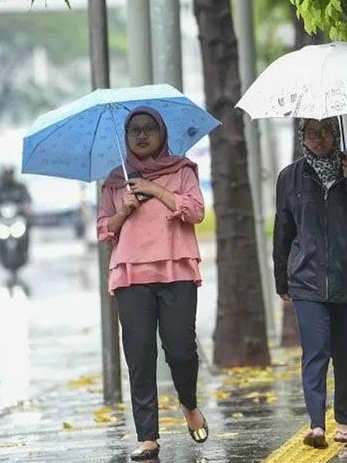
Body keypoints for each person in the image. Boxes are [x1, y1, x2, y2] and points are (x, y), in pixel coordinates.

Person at [96, 106, 208, 461]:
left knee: (181, 350)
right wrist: (124, 208)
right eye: (135, 131)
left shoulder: (183, 170)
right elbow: (105, 230)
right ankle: (147, 436)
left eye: (149, 129)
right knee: (139, 355)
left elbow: (196, 212)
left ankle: (189, 403)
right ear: (126, 138)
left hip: (177, 271)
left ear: (162, 133)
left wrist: (154, 189)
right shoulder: (116, 180)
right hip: (131, 275)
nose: (142, 135)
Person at [273, 117, 347, 448]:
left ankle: (345, 422)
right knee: (315, 351)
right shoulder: (290, 177)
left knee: (345, 353)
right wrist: (282, 277)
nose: (319, 139)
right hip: (306, 278)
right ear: (303, 136)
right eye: (312, 133)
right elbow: (283, 230)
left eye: (325, 132)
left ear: (336, 134)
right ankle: (316, 425)